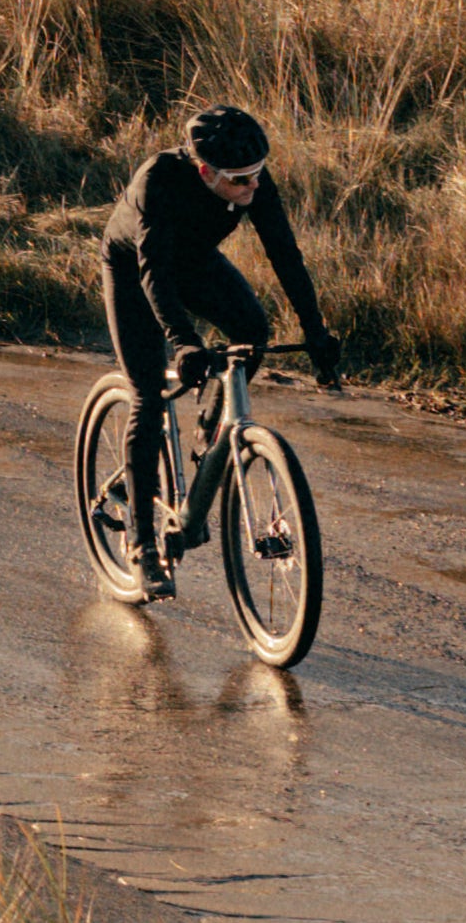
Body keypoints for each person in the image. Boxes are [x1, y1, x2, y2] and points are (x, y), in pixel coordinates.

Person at [101, 104, 338, 596]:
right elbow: (154, 276)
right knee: (147, 392)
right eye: (239, 181)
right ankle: (143, 546)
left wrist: (316, 331)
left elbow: (285, 255)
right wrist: (183, 341)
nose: (253, 188)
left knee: (251, 330)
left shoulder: (252, 182)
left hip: (192, 261)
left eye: (258, 175)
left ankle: (207, 438)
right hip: (136, 270)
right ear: (206, 172)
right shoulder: (158, 181)